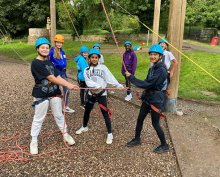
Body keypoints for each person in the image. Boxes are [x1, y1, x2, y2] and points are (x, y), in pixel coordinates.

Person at [30, 38, 79, 155]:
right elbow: (51, 78)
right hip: (41, 94)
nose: (45, 49)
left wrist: (70, 84)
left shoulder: (50, 63)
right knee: (39, 118)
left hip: (54, 93)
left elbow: (58, 77)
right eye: (42, 47)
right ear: (37, 49)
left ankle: (65, 134)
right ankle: (34, 141)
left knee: (59, 115)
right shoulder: (36, 63)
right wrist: (69, 85)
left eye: (47, 47)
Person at [125, 44, 169, 154]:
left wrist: (131, 77)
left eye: (155, 54)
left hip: (156, 100)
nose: (152, 56)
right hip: (148, 97)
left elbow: (148, 83)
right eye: (151, 54)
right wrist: (143, 95)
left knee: (155, 123)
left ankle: (164, 145)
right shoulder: (153, 67)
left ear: (160, 56)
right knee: (140, 119)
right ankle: (137, 139)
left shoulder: (161, 70)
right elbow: (148, 82)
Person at [75, 48, 123, 144]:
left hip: (102, 95)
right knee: (87, 111)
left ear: (98, 58)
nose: (94, 59)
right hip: (91, 94)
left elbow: (110, 77)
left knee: (105, 113)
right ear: (89, 58)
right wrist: (97, 86)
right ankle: (84, 126)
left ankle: (110, 133)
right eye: (92, 57)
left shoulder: (103, 68)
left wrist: (118, 85)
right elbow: (88, 82)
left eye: (96, 57)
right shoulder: (86, 70)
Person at [49, 34, 75, 113]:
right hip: (56, 74)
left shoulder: (62, 52)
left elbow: (64, 62)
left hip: (63, 73)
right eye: (58, 42)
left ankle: (65, 106)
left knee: (66, 90)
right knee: (54, 91)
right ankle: (53, 107)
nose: (59, 44)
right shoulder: (52, 52)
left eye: (61, 43)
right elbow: (49, 63)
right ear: (55, 42)